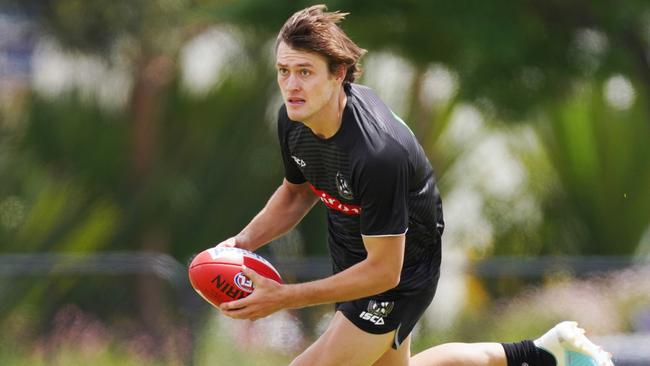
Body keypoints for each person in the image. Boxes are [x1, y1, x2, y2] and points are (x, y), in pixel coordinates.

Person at [215, 5, 614, 366]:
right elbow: (297, 190)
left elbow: (384, 272)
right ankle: (540, 354)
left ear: (338, 75)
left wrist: (284, 297)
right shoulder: (293, 119)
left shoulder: (377, 154)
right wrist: (243, 242)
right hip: (353, 252)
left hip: (401, 268)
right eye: (284, 71)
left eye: (305, 71)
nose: (291, 85)